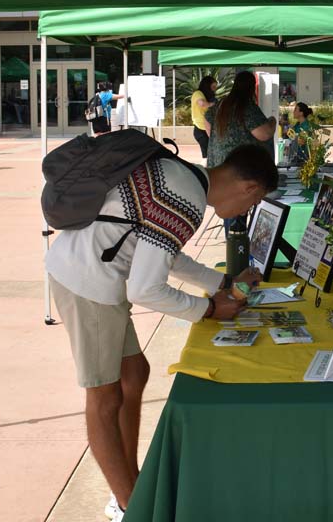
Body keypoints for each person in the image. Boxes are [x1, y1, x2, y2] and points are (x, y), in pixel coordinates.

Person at [46, 142, 278, 521]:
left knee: (134, 374)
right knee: (104, 398)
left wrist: (223, 282)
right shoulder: (184, 199)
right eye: (252, 204)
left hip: (89, 273)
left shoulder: (182, 177)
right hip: (87, 283)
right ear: (250, 188)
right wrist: (208, 309)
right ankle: (128, 505)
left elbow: (167, 257)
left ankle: (130, 481)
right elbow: (145, 289)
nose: (245, 212)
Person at [205, 71, 275, 169]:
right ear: (252, 87)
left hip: (218, 164)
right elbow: (264, 134)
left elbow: (207, 122)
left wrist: (221, 138)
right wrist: (272, 121)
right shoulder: (247, 107)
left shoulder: (221, 105)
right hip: (240, 167)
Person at [190, 75, 217, 159]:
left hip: (207, 127)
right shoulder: (197, 94)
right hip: (200, 129)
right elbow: (202, 104)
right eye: (213, 87)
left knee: (210, 153)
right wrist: (213, 104)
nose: (214, 89)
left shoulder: (209, 97)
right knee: (207, 155)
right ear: (207, 86)